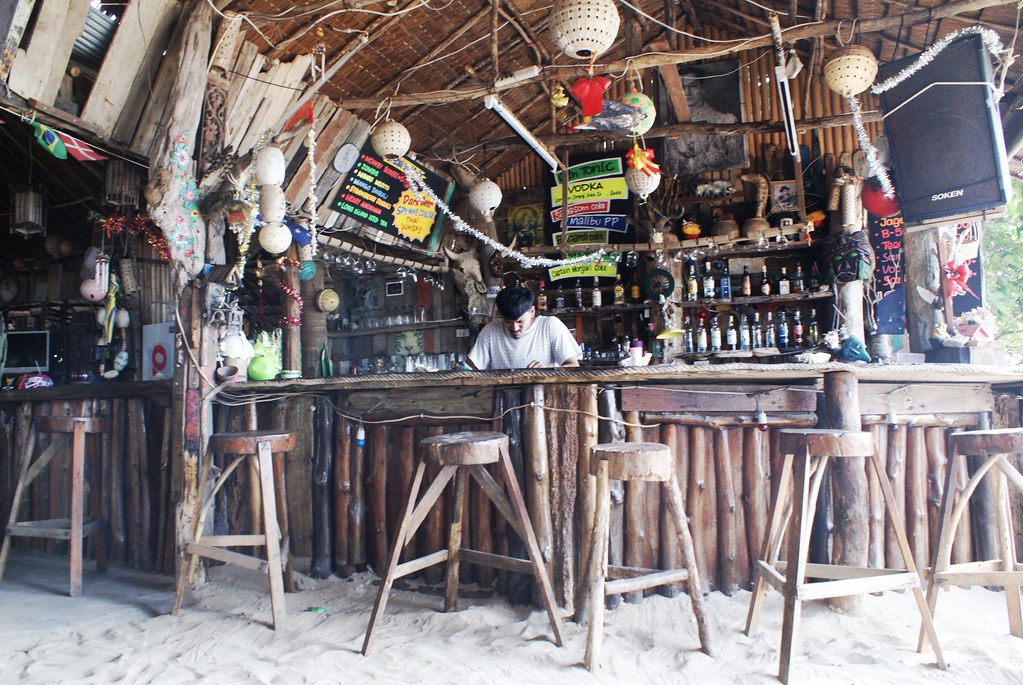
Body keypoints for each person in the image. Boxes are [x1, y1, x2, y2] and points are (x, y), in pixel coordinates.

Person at [467, 286, 580, 370]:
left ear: (532, 311)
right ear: (500, 316)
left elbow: (573, 366)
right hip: (502, 394)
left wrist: (547, 370)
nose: (515, 328)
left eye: (520, 321)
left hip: (544, 393)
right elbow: (472, 368)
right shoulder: (490, 331)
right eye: (508, 322)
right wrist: (463, 368)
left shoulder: (550, 326)